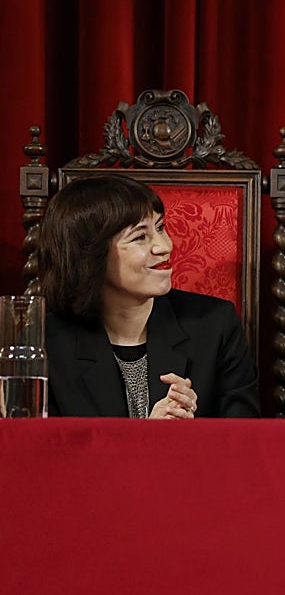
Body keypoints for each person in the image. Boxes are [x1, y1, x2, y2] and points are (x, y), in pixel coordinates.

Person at [38, 174, 259, 417]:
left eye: (161, 227)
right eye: (140, 237)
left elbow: (244, 440)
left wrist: (196, 433)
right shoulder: (46, 344)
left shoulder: (216, 324)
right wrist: (146, 437)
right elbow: (44, 450)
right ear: (91, 257)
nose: (164, 246)